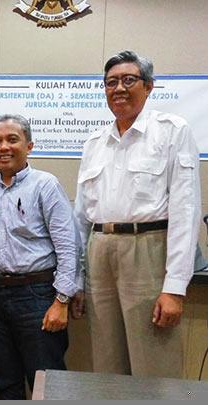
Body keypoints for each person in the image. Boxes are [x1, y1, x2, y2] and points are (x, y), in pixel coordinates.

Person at [74, 50, 201, 378]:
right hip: (99, 252)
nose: (119, 88)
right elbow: (81, 217)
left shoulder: (171, 131)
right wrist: (76, 279)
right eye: (111, 82)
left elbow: (185, 211)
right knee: (106, 363)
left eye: (128, 80)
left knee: (153, 364)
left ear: (148, 86)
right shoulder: (94, 142)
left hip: (147, 251)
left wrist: (174, 287)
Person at [0, 114, 79, 400]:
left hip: (36, 297)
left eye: (12, 140)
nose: (3, 147)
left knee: (46, 386)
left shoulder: (45, 185)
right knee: (3, 385)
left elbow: (68, 246)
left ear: (29, 146)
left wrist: (62, 301)